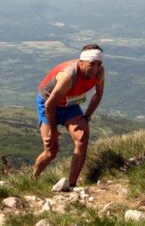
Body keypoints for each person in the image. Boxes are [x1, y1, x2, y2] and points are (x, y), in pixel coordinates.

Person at [33, 44, 104, 187]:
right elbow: (50, 105)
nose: (95, 68)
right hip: (49, 104)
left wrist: (87, 116)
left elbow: (98, 93)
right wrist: (53, 131)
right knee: (51, 151)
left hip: (70, 105)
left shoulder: (100, 72)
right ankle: (33, 179)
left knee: (82, 139)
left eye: (99, 64)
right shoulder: (69, 76)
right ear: (81, 62)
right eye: (92, 64)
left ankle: (71, 185)